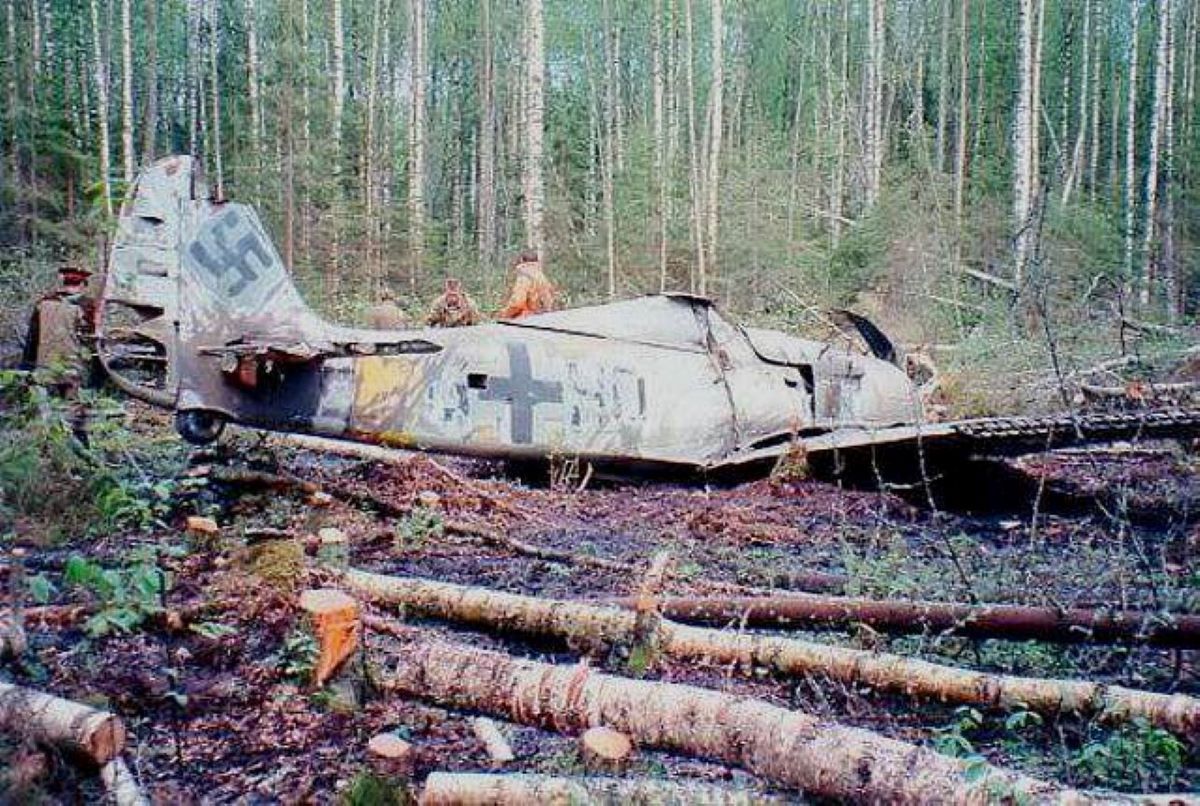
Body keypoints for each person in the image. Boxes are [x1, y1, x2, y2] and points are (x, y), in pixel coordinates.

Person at [499, 251, 556, 319]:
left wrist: (504, 314)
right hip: (542, 318)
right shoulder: (542, 278)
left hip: (525, 320)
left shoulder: (524, 277)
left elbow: (517, 302)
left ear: (522, 260)